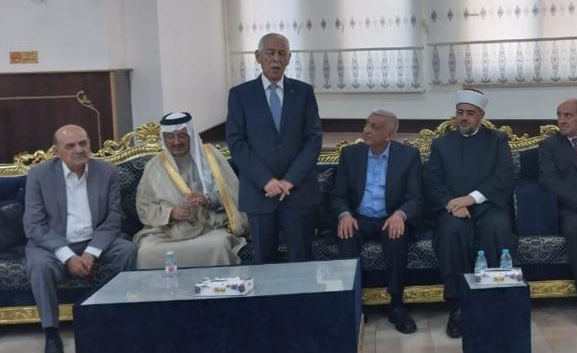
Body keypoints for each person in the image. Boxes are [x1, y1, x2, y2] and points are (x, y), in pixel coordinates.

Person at [23, 125, 137, 353]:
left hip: (95, 240)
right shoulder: (39, 175)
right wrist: (67, 256)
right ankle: (51, 333)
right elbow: (34, 225)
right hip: (53, 244)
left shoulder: (107, 172)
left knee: (127, 251)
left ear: (90, 144)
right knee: (39, 265)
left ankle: (120, 318)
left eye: (83, 143)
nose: (79, 150)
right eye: (70, 146)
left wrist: (91, 252)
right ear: (57, 151)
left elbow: (113, 219)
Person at [424, 89, 516, 338]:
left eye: (470, 113)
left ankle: (494, 300)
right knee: (451, 233)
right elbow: (432, 180)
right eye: (460, 112)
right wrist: (452, 204)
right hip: (453, 208)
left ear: (481, 115)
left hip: (488, 205)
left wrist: (471, 199)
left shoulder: (497, 140)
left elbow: (504, 175)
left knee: (497, 228)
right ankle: (459, 305)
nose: (464, 117)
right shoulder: (441, 144)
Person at [226, 32, 322, 263]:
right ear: (258, 56)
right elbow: (237, 143)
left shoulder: (303, 92)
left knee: (301, 261)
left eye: (282, 54)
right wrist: (266, 180)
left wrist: (290, 180)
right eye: (270, 53)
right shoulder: (240, 95)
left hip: (298, 192)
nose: (276, 59)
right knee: (264, 263)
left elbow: (313, 139)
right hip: (259, 193)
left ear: (289, 59)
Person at [333, 110, 423, 334]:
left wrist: (400, 214)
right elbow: (338, 195)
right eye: (367, 124)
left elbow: (416, 197)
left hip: (389, 217)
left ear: (389, 135)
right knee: (346, 234)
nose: (366, 130)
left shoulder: (408, 156)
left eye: (374, 127)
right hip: (358, 218)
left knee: (397, 235)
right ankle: (352, 304)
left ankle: (397, 304)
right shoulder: (350, 154)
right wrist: (344, 214)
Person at [134, 112, 247, 268]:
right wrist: (170, 213)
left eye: (182, 136)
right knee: (146, 251)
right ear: (164, 138)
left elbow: (233, 193)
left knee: (219, 245)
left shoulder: (210, 156)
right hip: (168, 232)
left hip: (207, 226)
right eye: (170, 137)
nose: (176, 142)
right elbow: (144, 207)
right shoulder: (154, 166)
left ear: (191, 135)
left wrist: (208, 199)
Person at [539, 98, 577, 329]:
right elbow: (549, 180)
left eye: (568, 115)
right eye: (559, 115)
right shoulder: (550, 146)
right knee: (575, 230)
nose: (561, 120)